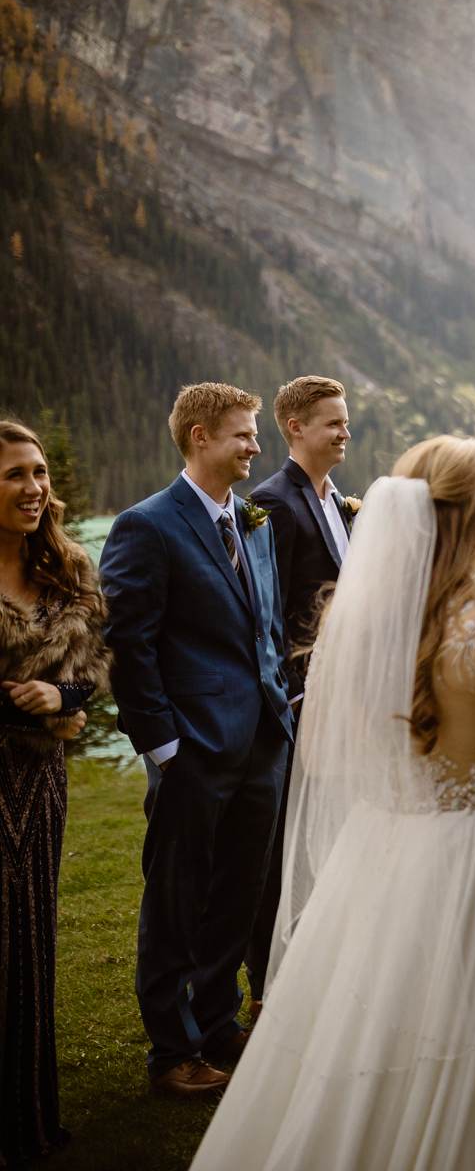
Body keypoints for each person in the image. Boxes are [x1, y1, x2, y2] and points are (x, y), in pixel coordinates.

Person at [191, 436, 475, 1168]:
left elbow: (318, 756)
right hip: (468, 852)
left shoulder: (363, 626)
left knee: (372, 1017)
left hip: (377, 844)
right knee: (460, 1027)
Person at [99, 384, 295, 1097]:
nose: (255, 447)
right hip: (192, 753)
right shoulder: (145, 526)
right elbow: (128, 643)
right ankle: (170, 1051)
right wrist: (164, 747)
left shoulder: (255, 521)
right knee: (177, 901)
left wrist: (281, 718)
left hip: (263, 746)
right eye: (243, 435)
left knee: (238, 896)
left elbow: (264, 630)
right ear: (200, 437)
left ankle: (217, 1024)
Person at [0, 420, 107, 1164]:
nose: (34, 487)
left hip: (42, 779)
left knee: (30, 940)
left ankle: (25, 1117)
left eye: (38, 472)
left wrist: (59, 697)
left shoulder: (69, 571)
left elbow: (96, 679)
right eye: (14, 475)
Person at [244, 374, 355, 1017]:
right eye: (333, 423)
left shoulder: (338, 500)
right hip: (296, 704)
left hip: (339, 699)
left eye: (345, 421)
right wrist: (290, 693)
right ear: (295, 428)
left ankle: (315, 964)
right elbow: (266, 608)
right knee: (281, 843)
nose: (345, 432)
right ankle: (266, 985)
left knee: (325, 835)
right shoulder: (274, 501)